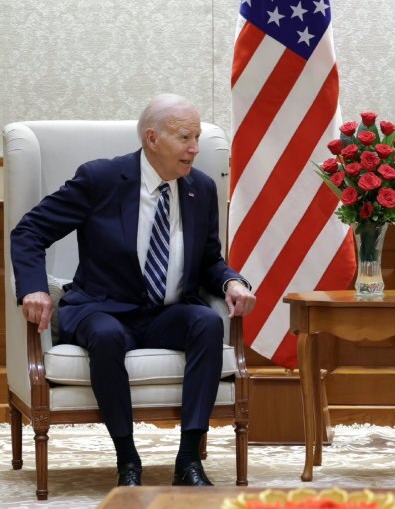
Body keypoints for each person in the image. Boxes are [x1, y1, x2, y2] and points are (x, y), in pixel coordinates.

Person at [10, 94, 256, 488]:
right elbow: (29, 231)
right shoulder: (101, 179)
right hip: (101, 308)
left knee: (208, 324)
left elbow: (209, 258)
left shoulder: (201, 189)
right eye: (185, 137)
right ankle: (127, 460)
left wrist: (231, 280)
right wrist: (34, 290)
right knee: (106, 336)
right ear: (152, 138)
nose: (195, 147)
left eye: (196, 137)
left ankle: (189, 460)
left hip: (165, 313)